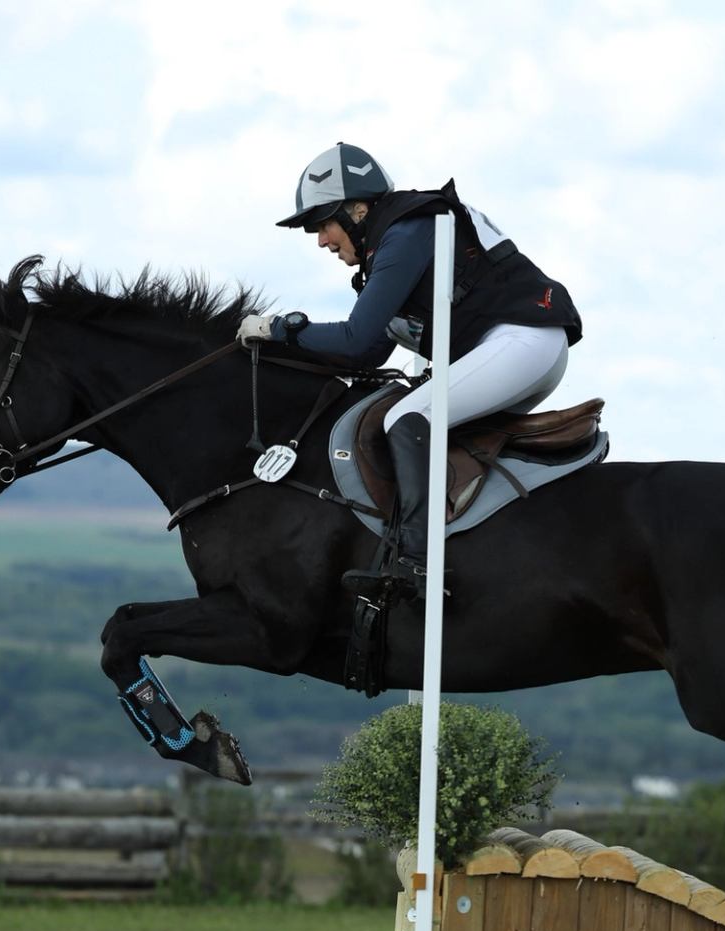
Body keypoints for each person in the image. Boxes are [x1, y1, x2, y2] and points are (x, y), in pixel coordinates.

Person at [237, 142, 582, 601]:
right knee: (427, 421)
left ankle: (416, 564)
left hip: (523, 342)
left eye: (323, 225)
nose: (321, 241)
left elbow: (356, 339)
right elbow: (370, 353)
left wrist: (280, 329)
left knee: (404, 418)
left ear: (357, 210)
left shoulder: (406, 231)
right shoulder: (392, 243)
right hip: (522, 348)